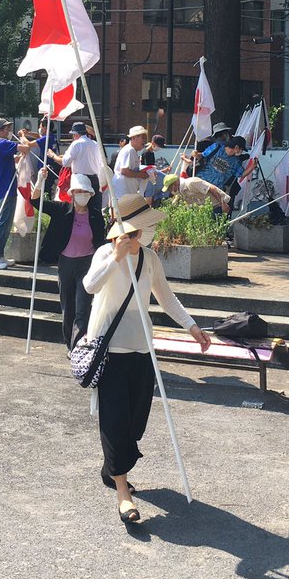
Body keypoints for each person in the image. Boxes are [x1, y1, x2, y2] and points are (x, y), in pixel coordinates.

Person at [83, 195, 212, 524]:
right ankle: (123, 492)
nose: (151, 230)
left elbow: (166, 298)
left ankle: (111, 469)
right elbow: (89, 286)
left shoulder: (151, 258)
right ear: (132, 230)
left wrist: (192, 327)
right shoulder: (106, 253)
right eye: (146, 227)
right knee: (114, 422)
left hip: (143, 350)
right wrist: (115, 257)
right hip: (111, 352)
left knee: (134, 423)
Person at [31, 170, 107, 348]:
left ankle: (77, 347)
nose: (82, 195)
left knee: (83, 308)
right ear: (72, 193)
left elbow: (101, 241)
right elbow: (35, 201)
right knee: (68, 309)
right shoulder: (61, 209)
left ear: (91, 194)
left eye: (86, 192)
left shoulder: (96, 216)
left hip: (87, 265)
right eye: (79, 191)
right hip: (66, 264)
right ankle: (69, 344)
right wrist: (40, 180)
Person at [0, 119, 31, 270]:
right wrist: (24, 137)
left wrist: (15, 159)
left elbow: (3, 161)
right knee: (3, 224)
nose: (9, 131)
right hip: (5, 190)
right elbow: (25, 148)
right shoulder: (3, 144)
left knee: (4, 223)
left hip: (1, 189)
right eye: (6, 128)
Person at [62, 121, 106, 196]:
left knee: (80, 206)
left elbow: (66, 163)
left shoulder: (76, 144)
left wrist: (66, 153)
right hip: (95, 179)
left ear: (75, 134)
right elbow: (101, 163)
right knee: (94, 205)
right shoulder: (95, 144)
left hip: (80, 180)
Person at [113, 125, 152, 198]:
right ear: (134, 138)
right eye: (142, 138)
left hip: (126, 191)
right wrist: (141, 175)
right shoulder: (129, 150)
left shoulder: (132, 151)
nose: (144, 141)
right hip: (122, 192)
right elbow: (124, 171)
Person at [162, 172, 230, 212]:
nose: (170, 191)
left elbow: (212, 188)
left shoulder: (191, 182)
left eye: (169, 189)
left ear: (173, 185)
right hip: (209, 208)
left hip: (220, 204)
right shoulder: (180, 191)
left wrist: (223, 204)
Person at [32, 117, 62, 197]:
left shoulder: (46, 138)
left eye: (40, 126)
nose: (39, 128)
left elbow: (28, 144)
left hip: (46, 170)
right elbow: (39, 136)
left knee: (43, 192)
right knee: (47, 190)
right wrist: (28, 133)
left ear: (45, 127)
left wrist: (22, 136)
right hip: (53, 168)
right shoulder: (52, 137)